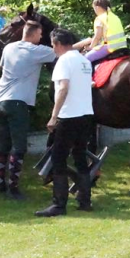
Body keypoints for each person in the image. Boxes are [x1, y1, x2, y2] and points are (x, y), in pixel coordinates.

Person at [0, 20, 56, 200]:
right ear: (33, 34)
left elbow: (1, 67)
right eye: (40, 34)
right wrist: (87, 43)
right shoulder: (36, 51)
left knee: (4, 144)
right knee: (19, 147)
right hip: (17, 102)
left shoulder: (8, 48)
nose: (42, 37)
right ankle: (13, 188)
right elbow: (63, 51)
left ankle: (0, 185)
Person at [35, 28, 95, 217]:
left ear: (59, 44)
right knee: (80, 157)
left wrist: (54, 115)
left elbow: (63, 89)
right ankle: (85, 201)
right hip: (87, 115)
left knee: (58, 159)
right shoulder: (85, 61)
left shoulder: (63, 61)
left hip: (69, 116)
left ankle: (59, 205)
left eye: (53, 45)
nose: (53, 49)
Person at [73, 0, 130, 65]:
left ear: (97, 7)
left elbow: (97, 36)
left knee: (84, 59)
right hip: (122, 47)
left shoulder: (100, 18)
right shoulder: (115, 17)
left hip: (109, 47)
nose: (94, 11)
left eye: (94, 8)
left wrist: (90, 47)